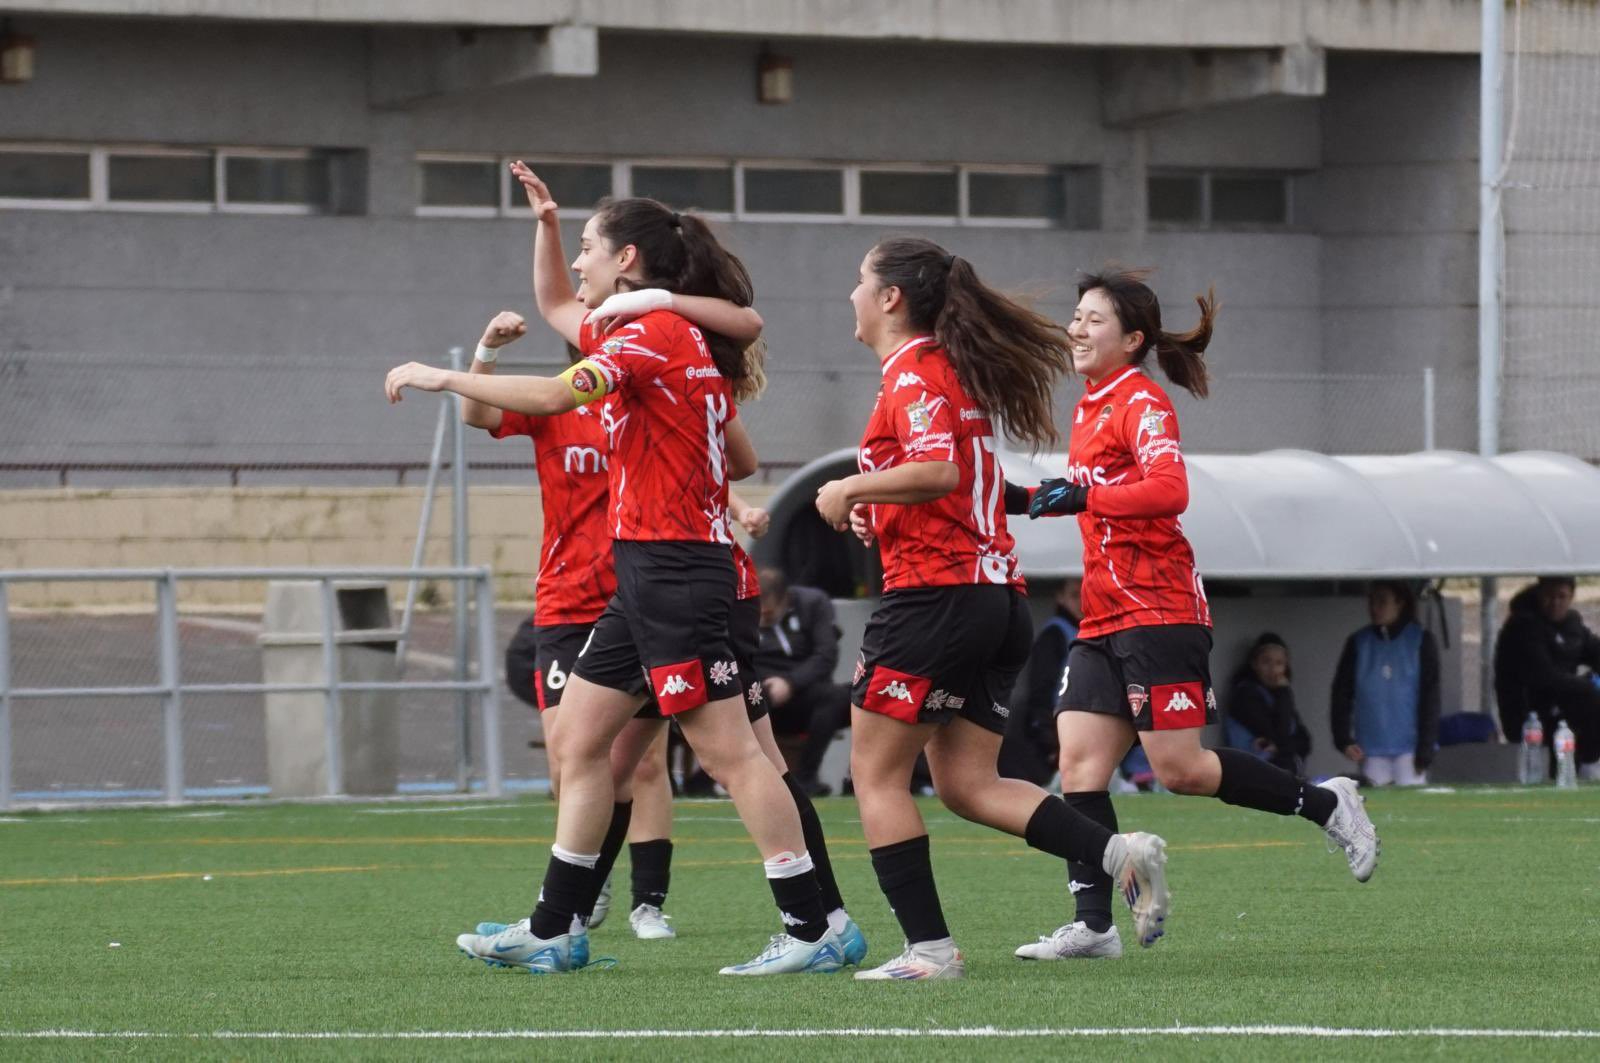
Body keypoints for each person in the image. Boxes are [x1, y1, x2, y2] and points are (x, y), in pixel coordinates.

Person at [387, 163, 854, 975]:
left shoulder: (651, 336)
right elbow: (558, 309)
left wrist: (444, 374)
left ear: (629, 259)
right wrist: (550, 226)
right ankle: (554, 928)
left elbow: (558, 392)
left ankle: (814, 925)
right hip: (646, 575)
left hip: (678, 571)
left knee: (731, 754)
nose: (580, 269)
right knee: (579, 740)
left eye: (591, 251)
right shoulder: (644, 329)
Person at [815, 236, 1171, 982]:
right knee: (968, 785)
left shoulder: (914, 371)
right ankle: (1118, 854)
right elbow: (954, 483)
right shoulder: (947, 372)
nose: (849, 294)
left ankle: (930, 951)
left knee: (876, 775)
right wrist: (875, 506)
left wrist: (852, 487)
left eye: (859, 280)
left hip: (934, 598)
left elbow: (939, 469)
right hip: (993, 598)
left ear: (890, 299)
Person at [1009, 266, 1378, 964]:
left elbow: (1168, 489)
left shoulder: (1142, 402)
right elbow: (1078, 493)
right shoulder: (1090, 405)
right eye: (1077, 316)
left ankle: (1330, 805)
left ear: (1133, 338)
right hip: (1104, 616)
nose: (1077, 327)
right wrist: (1008, 497)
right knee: (1080, 764)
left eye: (1094, 318)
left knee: (1178, 769)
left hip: (1159, 608)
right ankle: (1094, 925)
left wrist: (1082, 499)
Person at [1330, 582, 1441, 787]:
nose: (1374, 608)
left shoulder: (1420, 640)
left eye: (1382, 601)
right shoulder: (1358, 642)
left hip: (1410, 748)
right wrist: (1343, 738)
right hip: (1371, 748)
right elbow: (1341, 694)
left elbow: (1430, 698)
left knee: (1412, 805)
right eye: (1371, 601)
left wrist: (1425, 748)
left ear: (1400, 603)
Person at [754, 565, 851, 796]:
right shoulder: (741, 609)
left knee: (848, 696)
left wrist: (791, 682)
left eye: (767, 615)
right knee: (733, 697)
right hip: (758, 693)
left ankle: (807, 777)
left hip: (805, 693)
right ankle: (747, 777)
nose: (762, 620)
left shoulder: (813, 604)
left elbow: (826, 655)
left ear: (785, 600)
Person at [1494, 575, 1600, 779]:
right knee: (1590, 698)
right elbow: (1544, 676)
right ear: (1539, 594)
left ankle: (1587, 765)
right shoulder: (1522, 627)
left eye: (1562, 596)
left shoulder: (1572, 624)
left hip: (1563, 709)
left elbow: (1592, 649)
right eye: (1550, 596)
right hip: (1528, 713)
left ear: (1571, 598)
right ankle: (1589, 764)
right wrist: (1587, 685)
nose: (1555, 603)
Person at [998, 579, 1082, 786]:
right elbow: (1041, 692)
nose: (1082, 602)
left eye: (1086, 594)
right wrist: (1050, 740)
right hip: (1058, 727)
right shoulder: (1055, 634)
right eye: (1075, 595)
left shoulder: (1091, 632)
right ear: (1060, 597)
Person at [1227, 631, 1311, 775]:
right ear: (1254, 664)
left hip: (1279, 769)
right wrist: (1283, 692)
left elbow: (1305, 741)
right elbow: (1279, 734)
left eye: (1279, 663)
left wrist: (1282, 746)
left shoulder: (1279, 695)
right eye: (1266, 662)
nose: (1273, 670)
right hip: (1251, 770)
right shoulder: (1245, 694)